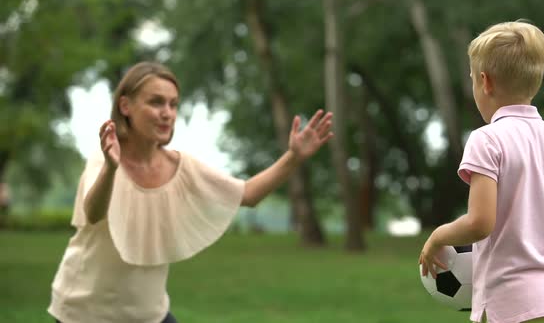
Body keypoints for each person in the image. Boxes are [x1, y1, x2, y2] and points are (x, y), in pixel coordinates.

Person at [48, 61, 334, 323]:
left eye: (173, 105)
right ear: (125, 105)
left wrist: (293, 157)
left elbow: (247, 194)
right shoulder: (105, 158)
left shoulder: (182, 167)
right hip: (85, 312)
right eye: (156, 102)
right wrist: (111, 169)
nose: (167, 113)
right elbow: (94, 212)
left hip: (150, 314)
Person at [419, 21, 544, 323]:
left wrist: (437, 237)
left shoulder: (487, 139)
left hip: (514, 305)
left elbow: (480, 223)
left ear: (485, 82)